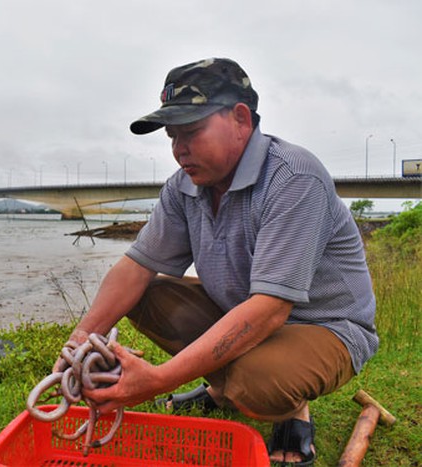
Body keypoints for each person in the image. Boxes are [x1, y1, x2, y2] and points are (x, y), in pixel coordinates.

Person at [59, 57, 378, 465]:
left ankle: (288, 409)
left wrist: (157, 381)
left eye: (191, 132)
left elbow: (269, 311)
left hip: (324, 326)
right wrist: (81, 339)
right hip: (246, 314)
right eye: (172, 137)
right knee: (145, 293)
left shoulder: (294, 178)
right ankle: (223, 389)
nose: (179, 150)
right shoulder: (184, 187)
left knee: (259, 382)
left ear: (241, 119)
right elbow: (136, 267)